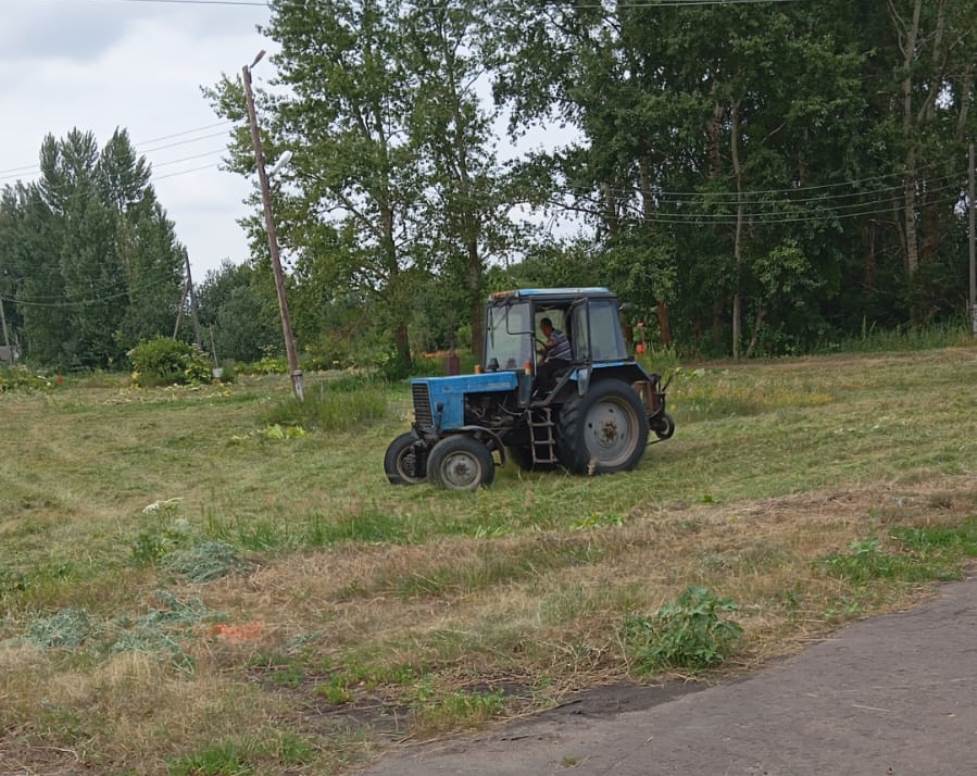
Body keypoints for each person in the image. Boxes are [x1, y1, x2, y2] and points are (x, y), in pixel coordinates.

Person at [536, 317, 572, 392]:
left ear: (548, 327)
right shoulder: (550, 338)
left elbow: (552, 344)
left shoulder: (556, 334)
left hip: (563, 361)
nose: (543, 332)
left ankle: (545, 391)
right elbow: (546, 353)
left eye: (543, 329)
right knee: (539, 368)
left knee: (543, 369)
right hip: (556, 361)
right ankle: (539, 390)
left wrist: (544, 349)